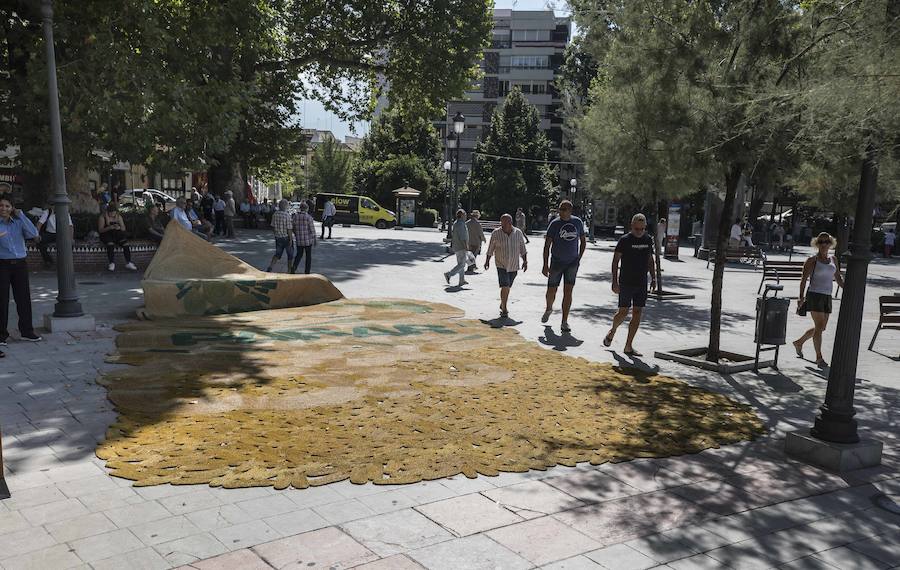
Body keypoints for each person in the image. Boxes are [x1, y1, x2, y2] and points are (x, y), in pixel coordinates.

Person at [604, 213, 656, 356]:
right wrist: (614, 282)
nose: (639, 232)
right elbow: (615, 261)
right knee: (623, 312)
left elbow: (650, 259)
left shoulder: (648, 240)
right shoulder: (624, 240)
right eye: (637, 229)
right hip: (626, 282)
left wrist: (654, 278)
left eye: (642, 229)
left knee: (637, 313)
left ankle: (628, 346)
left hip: (641, 282)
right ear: (632, 226)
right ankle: (613, 330)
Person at [792, 232, 844, 368]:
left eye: (827, 242)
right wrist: (800, 297)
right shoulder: (812, 260)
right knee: (819, 327)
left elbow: (838, 278)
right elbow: (803, 279)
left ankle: (799, 342)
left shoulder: (833, 259)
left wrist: (848, 289)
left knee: (821, 328)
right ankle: (819, 358)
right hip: (814, 295)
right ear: (817, 244)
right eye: (821, 242)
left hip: (827, 296)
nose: (824, 244)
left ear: (831, 243)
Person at [0, 194, 43, 347]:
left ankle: (26, 331)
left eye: (7, 206)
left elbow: (34, 234)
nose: (3, 208)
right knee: (2, 300)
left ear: (12, 208)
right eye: (1, 205)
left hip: (20, 265)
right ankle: (1, 335)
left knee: (23, 299)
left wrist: (22, 216)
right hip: (2, 265)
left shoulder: (18, 222)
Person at [541, 200, 586, 333]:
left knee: (568, 291)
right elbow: (547, 245)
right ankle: (549, 308)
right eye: (560, 209)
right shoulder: (554, 224)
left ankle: (564, 321)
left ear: (570, 211)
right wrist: (545, 264)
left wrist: (579, 257)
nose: (561, 211)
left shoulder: (577, 222)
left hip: (572, 263)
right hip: (557, 262)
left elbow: (583, 241)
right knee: (551, 290)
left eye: (564, 209)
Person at [484, 213, 528, 318]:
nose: (502, 224)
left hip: (513, 265)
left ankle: (503, 302)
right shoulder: (496, 233)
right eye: (501, 222)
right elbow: (491, 248)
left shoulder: (518, 233)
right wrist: (487, 261)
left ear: (510, 222)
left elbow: (522, 248)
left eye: (505, 222)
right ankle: (504, 308)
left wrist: (525, 261)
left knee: (508, 287)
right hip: (501, 264)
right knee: (505, 285)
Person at [98, 204, 138, 272]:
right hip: (106, 234)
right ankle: (111, 263)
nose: (112, 214)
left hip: (117, 234)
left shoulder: (118, 217)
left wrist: (119, 227)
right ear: (108, 212)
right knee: (110, 244)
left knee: (125, 244)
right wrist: (109, 227)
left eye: (114, 213)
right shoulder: (102, 217)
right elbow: (100, 230)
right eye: (111, 213)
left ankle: (128, 262)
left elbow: (123, 228)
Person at [36, 203, 73, 268]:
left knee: (68, 245)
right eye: (53, 206)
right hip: (49, 233)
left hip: (61, 234)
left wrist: (71, 238)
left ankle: (64, 263)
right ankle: (48, 261)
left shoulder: (65, 212)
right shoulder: (47, 212)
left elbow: (70, 226)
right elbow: (39, 224)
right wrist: (36, 235)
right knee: (39, 242)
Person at [265, 199, 295, 273]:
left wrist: (276, 234)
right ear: (286, 206)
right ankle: (289, 270)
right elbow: (289, 229)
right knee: (290, 255)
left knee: (277, 254)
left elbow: (272, 226)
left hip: (278, 237)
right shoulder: (287, 215)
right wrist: (291, 239)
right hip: (286, 237)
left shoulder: (275, 214)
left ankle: (270, 266)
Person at [443, 209, 469, 287]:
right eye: (465, 214)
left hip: (457, 246)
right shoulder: (461, 224)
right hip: (461, 247)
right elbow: (462, 237)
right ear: (462, 215)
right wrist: (466, 246)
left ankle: (462, 280)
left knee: (460, 264)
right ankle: (449, 274)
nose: (466, 216)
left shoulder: (456, 223)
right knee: (462, 264)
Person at [291, 202, 317, 274]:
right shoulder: (309, 217)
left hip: (299, 240)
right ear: (307, 209)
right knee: (308, 256)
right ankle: (307, 271)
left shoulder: (295, 217)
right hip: (308, 241)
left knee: (299, 255)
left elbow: (292, 227)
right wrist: (315, 239)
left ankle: (294, 267)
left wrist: (296, 234)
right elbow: (312, 229)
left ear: (300, 208)